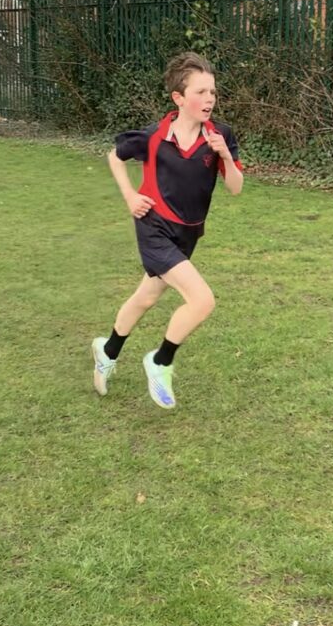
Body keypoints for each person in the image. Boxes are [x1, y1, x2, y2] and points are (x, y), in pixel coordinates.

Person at [92, 51, 243, 409]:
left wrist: (223, 155)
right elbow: (115, 156)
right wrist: (130, 195)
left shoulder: (219, 135)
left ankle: (107, 351)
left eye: (213, 92)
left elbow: (236, 187)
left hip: (188, 233)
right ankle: (160, 361)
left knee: (146, 297)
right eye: (201, 92)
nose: (209, 99)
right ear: (179, 98)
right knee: (202, 300)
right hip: (154, 228)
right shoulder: (154, 137)